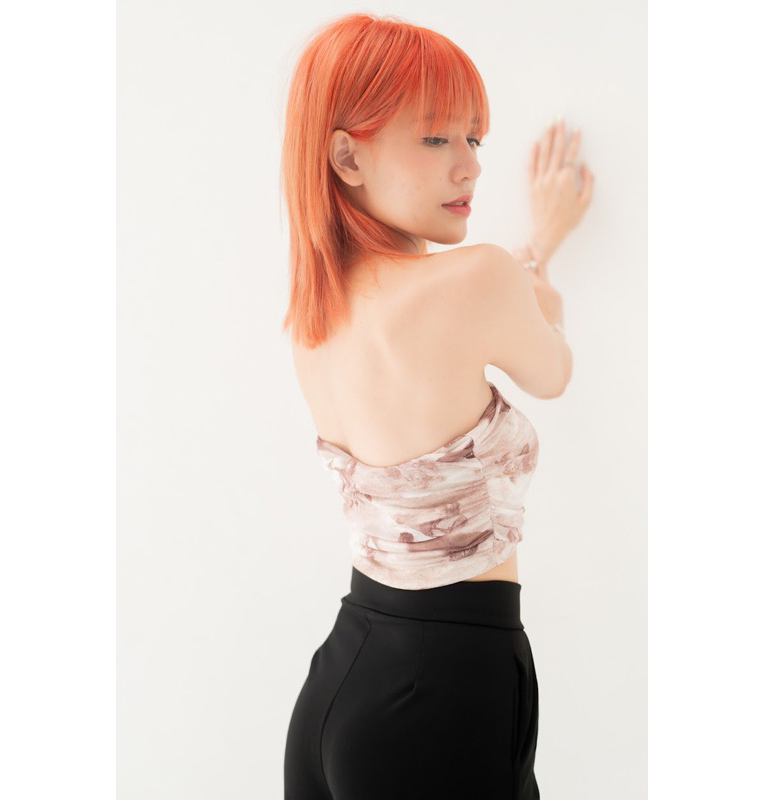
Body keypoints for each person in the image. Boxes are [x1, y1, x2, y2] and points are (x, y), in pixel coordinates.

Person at [280, 13, 594, 800]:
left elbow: (464, 313)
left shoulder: (314, 318)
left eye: (474, 138)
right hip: (446, 694)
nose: (471, 166)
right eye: (435, 139)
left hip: (342, 680)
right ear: (347, 156)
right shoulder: (479, 280)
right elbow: (552, 369)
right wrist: (542, 267)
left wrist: (530, 259)